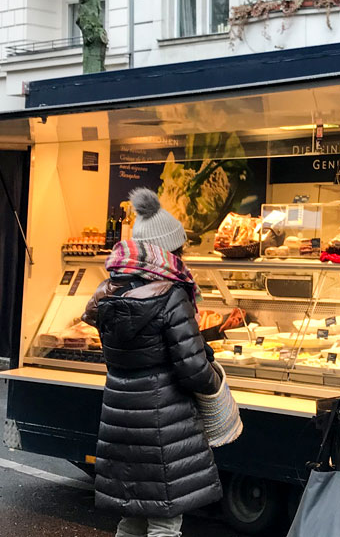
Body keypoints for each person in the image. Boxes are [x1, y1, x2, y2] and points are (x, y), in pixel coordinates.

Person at [83, 188, 222, 537]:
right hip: (164, 419)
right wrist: (213, 380)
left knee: (131, 514)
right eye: (180, 248)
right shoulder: (172, 294)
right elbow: (192, 371)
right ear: (168, 250)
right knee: (165, 519)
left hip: (119, 413)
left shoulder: (108, 291)